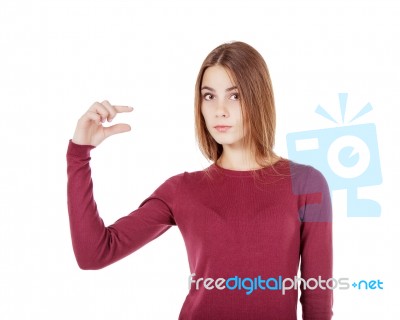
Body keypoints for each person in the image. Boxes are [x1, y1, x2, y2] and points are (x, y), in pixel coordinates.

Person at [66, 41, 333, 319]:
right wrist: (78, 155)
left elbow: (317, 297)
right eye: (209, 96)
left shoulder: (306, 184)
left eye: (235, 96)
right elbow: (93, 254)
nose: (220, 110)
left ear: (258, 98)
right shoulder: (182, 190)